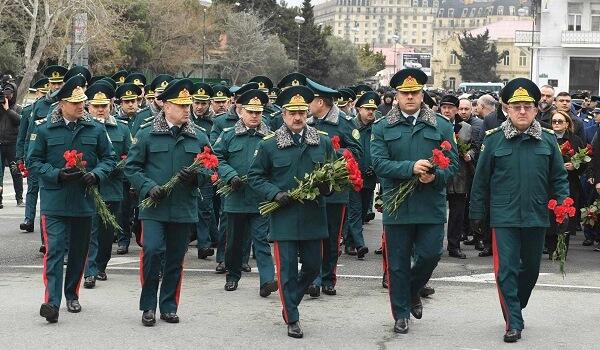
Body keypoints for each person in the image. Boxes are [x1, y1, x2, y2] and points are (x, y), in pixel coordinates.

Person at [470, 78, 569, 343]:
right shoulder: (493, 141)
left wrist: (563, 207)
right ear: (506, 109)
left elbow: (559, 179)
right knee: (507, 270)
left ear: (537, 109)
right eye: (516, 106)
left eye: (527, 106)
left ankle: (516, 304)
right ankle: (514, 321)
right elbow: (480, 181)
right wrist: (476, 214)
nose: (522, 111)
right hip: (504, 217)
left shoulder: (547, 141)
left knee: (531, 271)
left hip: (537, 216)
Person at [371, 68, 458, 334]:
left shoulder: (441, 125)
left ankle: (412, 290)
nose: (410, 97)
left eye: (415, 93)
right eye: (405, 93)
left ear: (422, 94)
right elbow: (378, 163)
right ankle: (400, 314)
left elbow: (453, 165)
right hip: (398, 205)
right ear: (396, 96)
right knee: (396, 263)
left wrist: (436, 176)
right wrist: (411, 168)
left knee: (431, 254)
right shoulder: (383, 126)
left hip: (430, 204)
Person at [248, 85, 335, 338]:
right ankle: (292, 317)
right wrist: (275, 193)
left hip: (313, 216)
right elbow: (255, 176)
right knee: (286, 269)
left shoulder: (322, 141)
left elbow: (332, 178)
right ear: (283, 114)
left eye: (301, 112)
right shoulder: (270, 145)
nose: (297, 117)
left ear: (308, 112)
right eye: (291, 112)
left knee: (312, 266)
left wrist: (326, 186)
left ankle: (291, 299)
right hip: (284, 216)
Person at [28, 75, 116, 323]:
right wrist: (56, 174)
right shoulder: (44, 128)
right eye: (75, 102)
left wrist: (96, 175)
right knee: (55, 250)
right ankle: (52, 303)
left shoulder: (96, 129)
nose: (81, 106)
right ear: (61, 103)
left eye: (82, 102)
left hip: (84, 201)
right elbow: (33, 161)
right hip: (55, 201)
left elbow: (110, 158)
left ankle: (71, 295)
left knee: (78, 252)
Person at [125, 78, 211, 326]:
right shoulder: (147, 133)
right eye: (181, 105)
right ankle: (148, 306)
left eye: (188, 105)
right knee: (152, 252)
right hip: (154, 207)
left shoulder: (199, 136)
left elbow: (209, 169)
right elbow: (132, 168)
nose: (187, 110)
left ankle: (169, 306)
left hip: (183, 208)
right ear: (166, 107)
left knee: (175, 258)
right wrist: (149, 187)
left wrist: (196, 174)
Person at [213, 88, 277, 296]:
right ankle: (232, 275)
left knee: (261, 241)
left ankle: (267, 280)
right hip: (235, 197)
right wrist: (230, 175)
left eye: (258, 112)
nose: (254, 116)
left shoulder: (270, 138)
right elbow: (217, 159)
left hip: (260, 199)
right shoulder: (228, 135)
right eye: (250, 112)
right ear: (241, 111)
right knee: (233, 242)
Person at [306, 78, 363, 297]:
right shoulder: (308, 122)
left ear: (320, 102)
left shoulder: (345, 123)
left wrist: (334, 153)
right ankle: (314, 279)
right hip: (311, 190)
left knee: (330, 238)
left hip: (335, 192)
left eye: (311, 101)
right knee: (312, 237)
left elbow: (356, 152)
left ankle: (328, 278)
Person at [82, 81, 131, 288]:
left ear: (111, 105)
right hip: (89, 186)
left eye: (104, 106)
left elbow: (132, 155)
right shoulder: (83, 127)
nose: (100, 110)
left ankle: (101, 265)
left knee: (107, 231)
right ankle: (90, 270)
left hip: (112, 187)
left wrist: (119, 166)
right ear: (88, 106)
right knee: (90, 229)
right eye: (96, 106)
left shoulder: (122, 128)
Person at [544, 110, 584, 258]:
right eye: (554, 121)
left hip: (569, 183)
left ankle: (562, 250)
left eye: (560, 121)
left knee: (565, 215)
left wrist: (575, 165)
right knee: (549, 216)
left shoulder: (576, 140)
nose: (556, 124)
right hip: (549, 184)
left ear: (567, 124)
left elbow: (585, 160)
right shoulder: (546, 138)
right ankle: (550, 248)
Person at [346, 91, 379, 260]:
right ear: (359, 109)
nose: (370, 112)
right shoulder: (350, 126)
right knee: (355, 210)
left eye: (373, 109)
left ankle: (350, 241)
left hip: (370, 177)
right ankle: (359, 244)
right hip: (353, 177)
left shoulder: (378, 128)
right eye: (367, 109)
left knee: (364, 210)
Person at [440, 94, 472, 259]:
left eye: (451, 108)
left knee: (457, 213)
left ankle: (454, 246)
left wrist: (469, 154)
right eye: (444, 107)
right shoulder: (434, 125)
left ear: (456, 110)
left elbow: (474, 145)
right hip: (440, 174)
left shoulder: (465, 128)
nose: (447, 110)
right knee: (438, 212)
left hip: (459, 175)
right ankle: (436, 244)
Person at [0, 81, 23, 209]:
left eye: (10, 93)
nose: (8, 95)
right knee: (0, 173)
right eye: (6, 92)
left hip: (13, 144)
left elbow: (19, 120)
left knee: (16, 172)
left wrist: (8, 110)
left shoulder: (18, 108)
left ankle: (19, 198)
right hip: (0, 144)